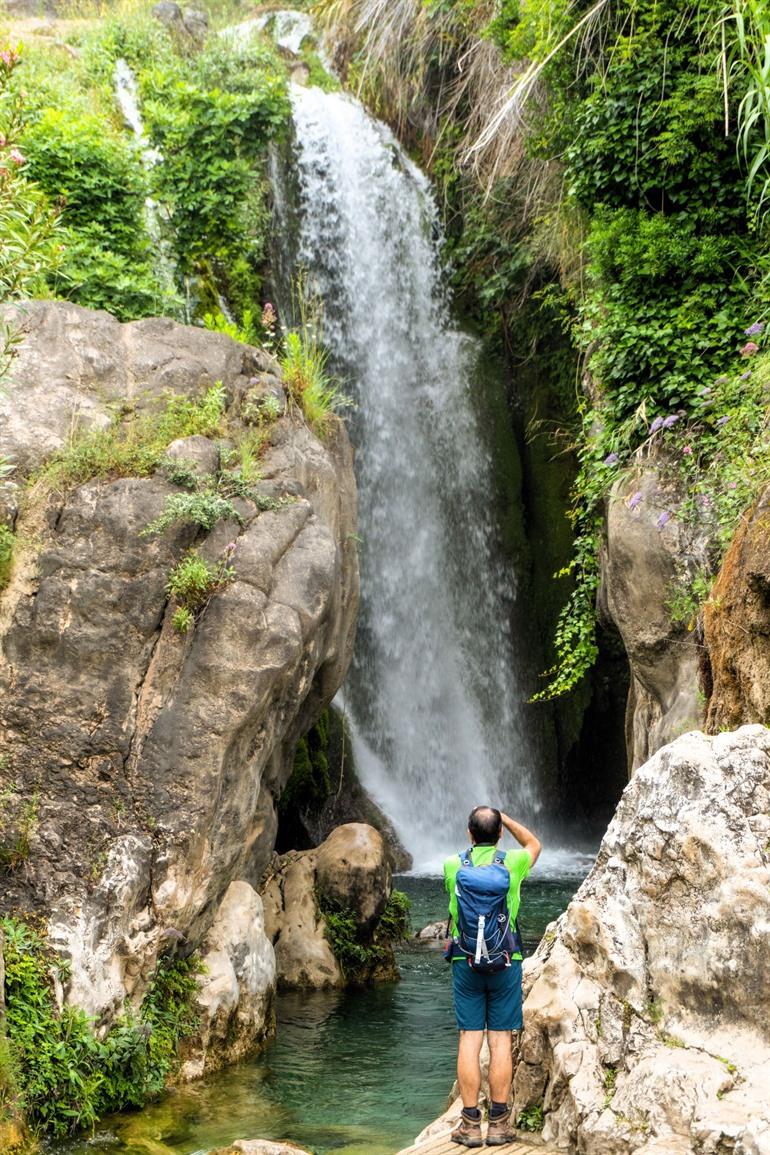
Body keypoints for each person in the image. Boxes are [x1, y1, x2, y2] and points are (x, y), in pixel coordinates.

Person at [444, 806, 541, 1147]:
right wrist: (507, 819)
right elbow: (534, 844)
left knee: (470, 1038)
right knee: (501, 1039)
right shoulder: (512, 864)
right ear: (500, 833)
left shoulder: (453, 866)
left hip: (464, 960)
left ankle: (470, 1125)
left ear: (469, 834)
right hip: (506, 960)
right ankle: (499, 1124)